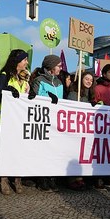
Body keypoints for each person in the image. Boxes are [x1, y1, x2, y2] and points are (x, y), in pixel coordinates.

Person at [0, 49, 30, 195]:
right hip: (6, 120)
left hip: (20, 120)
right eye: (24, 60)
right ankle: (4, 178)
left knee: (19, 151)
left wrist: (30, 94)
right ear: (17, 61)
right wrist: (7, 90)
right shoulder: (5, 76)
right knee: (6, 152)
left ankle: (18, 179)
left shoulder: (24, 77)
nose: (27, 62)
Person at [30, 54, 63, 192]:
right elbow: (33, 99)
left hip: (55, 121)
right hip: (43, 120)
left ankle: (52, 178)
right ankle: (42, 179)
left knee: (53, 151)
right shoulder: (39, 80)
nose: (61, 68)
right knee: (43, 151)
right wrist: (47, 98)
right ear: (50, 68)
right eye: (59, 66)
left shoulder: (59, 83)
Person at [67, 71, 95, 191]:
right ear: (81, 80)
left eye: (91, 80)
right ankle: (73, 179)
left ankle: (81, 178)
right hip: (75, 128)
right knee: (74, 152)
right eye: (87, 79)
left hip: (85, 129)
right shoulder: (74, 93)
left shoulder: (91, 95)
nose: (89, 82)